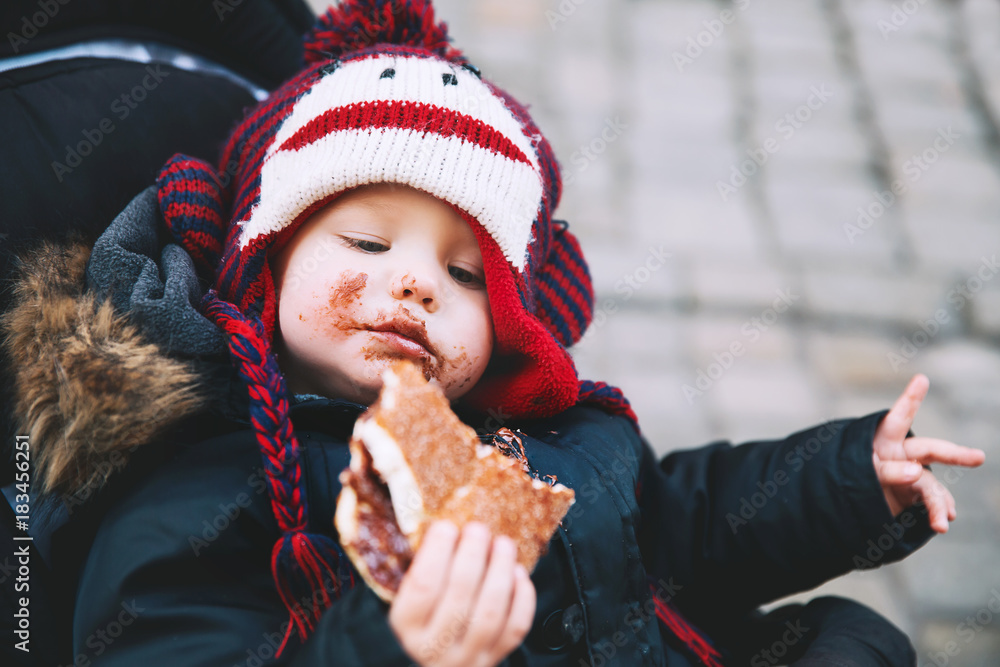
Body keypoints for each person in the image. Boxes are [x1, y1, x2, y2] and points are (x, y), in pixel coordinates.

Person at [2, 0, 985, 665]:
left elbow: (680, 520)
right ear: (259, 270)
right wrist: (398, 640)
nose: (416, 284)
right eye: (366, 238)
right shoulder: (198, 496)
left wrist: (850, 476)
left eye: (464, 273)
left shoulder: (532, 442)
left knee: (848, 640)